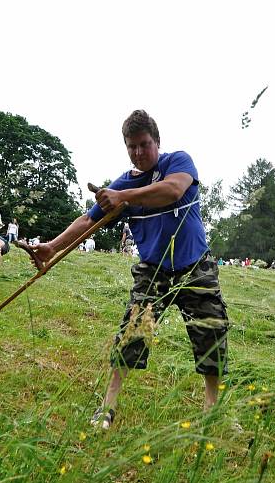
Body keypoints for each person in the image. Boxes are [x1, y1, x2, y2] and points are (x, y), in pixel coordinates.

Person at [30, 110, 229, 429]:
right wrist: (52, 246)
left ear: (157, 142)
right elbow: (88, 220)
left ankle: (211, 409)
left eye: (144, 144)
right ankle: (107, 407)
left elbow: (173, 190)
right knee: (132, 333)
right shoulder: (122, 184)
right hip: (153, 269)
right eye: (131, 146)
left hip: (196, 266)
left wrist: (122, 197)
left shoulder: (178, 162)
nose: (138, 152)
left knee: (211, 331)